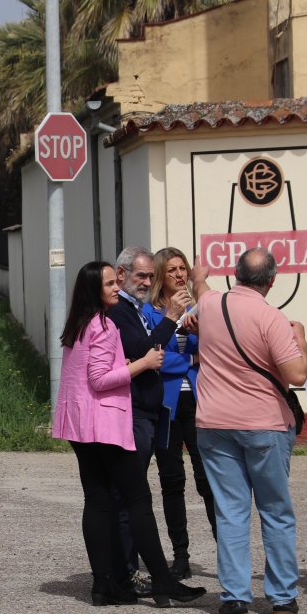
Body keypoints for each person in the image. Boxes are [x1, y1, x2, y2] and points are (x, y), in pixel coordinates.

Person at [52, 261, 205, 607]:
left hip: (80, 425)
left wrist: (127, 363)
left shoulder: (77, 324)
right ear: (94, 290)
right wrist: (143, 364)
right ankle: (162, 581)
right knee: (137, 500)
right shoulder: (103, 324)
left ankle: (104, 585)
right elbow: (99, 380)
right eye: (109, 284)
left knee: (98, 501)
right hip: (104, 423)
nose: (115, 289)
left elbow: (85, 375)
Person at [190, 248, 307, 614]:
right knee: (275, 510)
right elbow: (297, 374)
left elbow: (201, 289)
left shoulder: (211, 304)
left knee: (230, 511)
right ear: (271, 280)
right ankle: (282, 597)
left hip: (214, 421)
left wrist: (198, 275)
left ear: (236, 274)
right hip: (263, 422)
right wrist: (301, 340)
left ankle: (235, 598)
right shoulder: (272, 317)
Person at [108, 246, 188, 592]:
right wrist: (171, 318)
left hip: (151, 411)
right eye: (141, 275)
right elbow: (146, 351)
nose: (146, 282)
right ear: (121, 274)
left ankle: (137, 570)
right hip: (135, 412)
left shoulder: (136, 309)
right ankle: (126, 573)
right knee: (129, 496)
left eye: (150, 276)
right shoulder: (120, 311)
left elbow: (154, 351)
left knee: (139, 494)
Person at [146, 248, 217, 579]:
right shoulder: (149, 312)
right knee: (172, 480)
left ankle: (227, 553)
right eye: (171, 269)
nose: (178, 274)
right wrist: (190, 359)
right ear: (160, 275)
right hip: (167, 404)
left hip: (201, 401)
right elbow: (152, 355)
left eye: (182, 268)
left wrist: (200, 335)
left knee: (208, 479)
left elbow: (218, 347)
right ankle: (181, 556)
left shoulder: (200, 307)